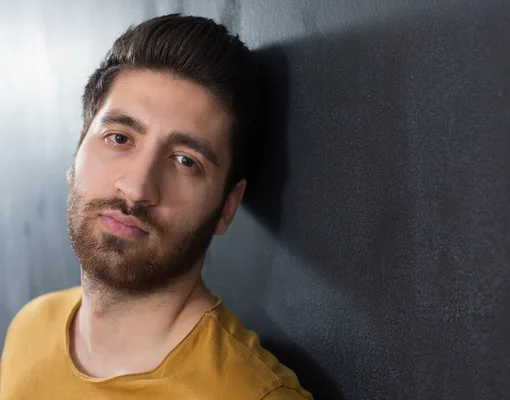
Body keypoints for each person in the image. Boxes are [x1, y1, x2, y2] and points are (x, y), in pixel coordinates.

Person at [0, 14, 312, 400]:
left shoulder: (253, 394)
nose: (136, 188)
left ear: (227, 207)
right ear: (79, 148)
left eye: (185, 161)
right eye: (119, 137)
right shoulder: (30, 329)